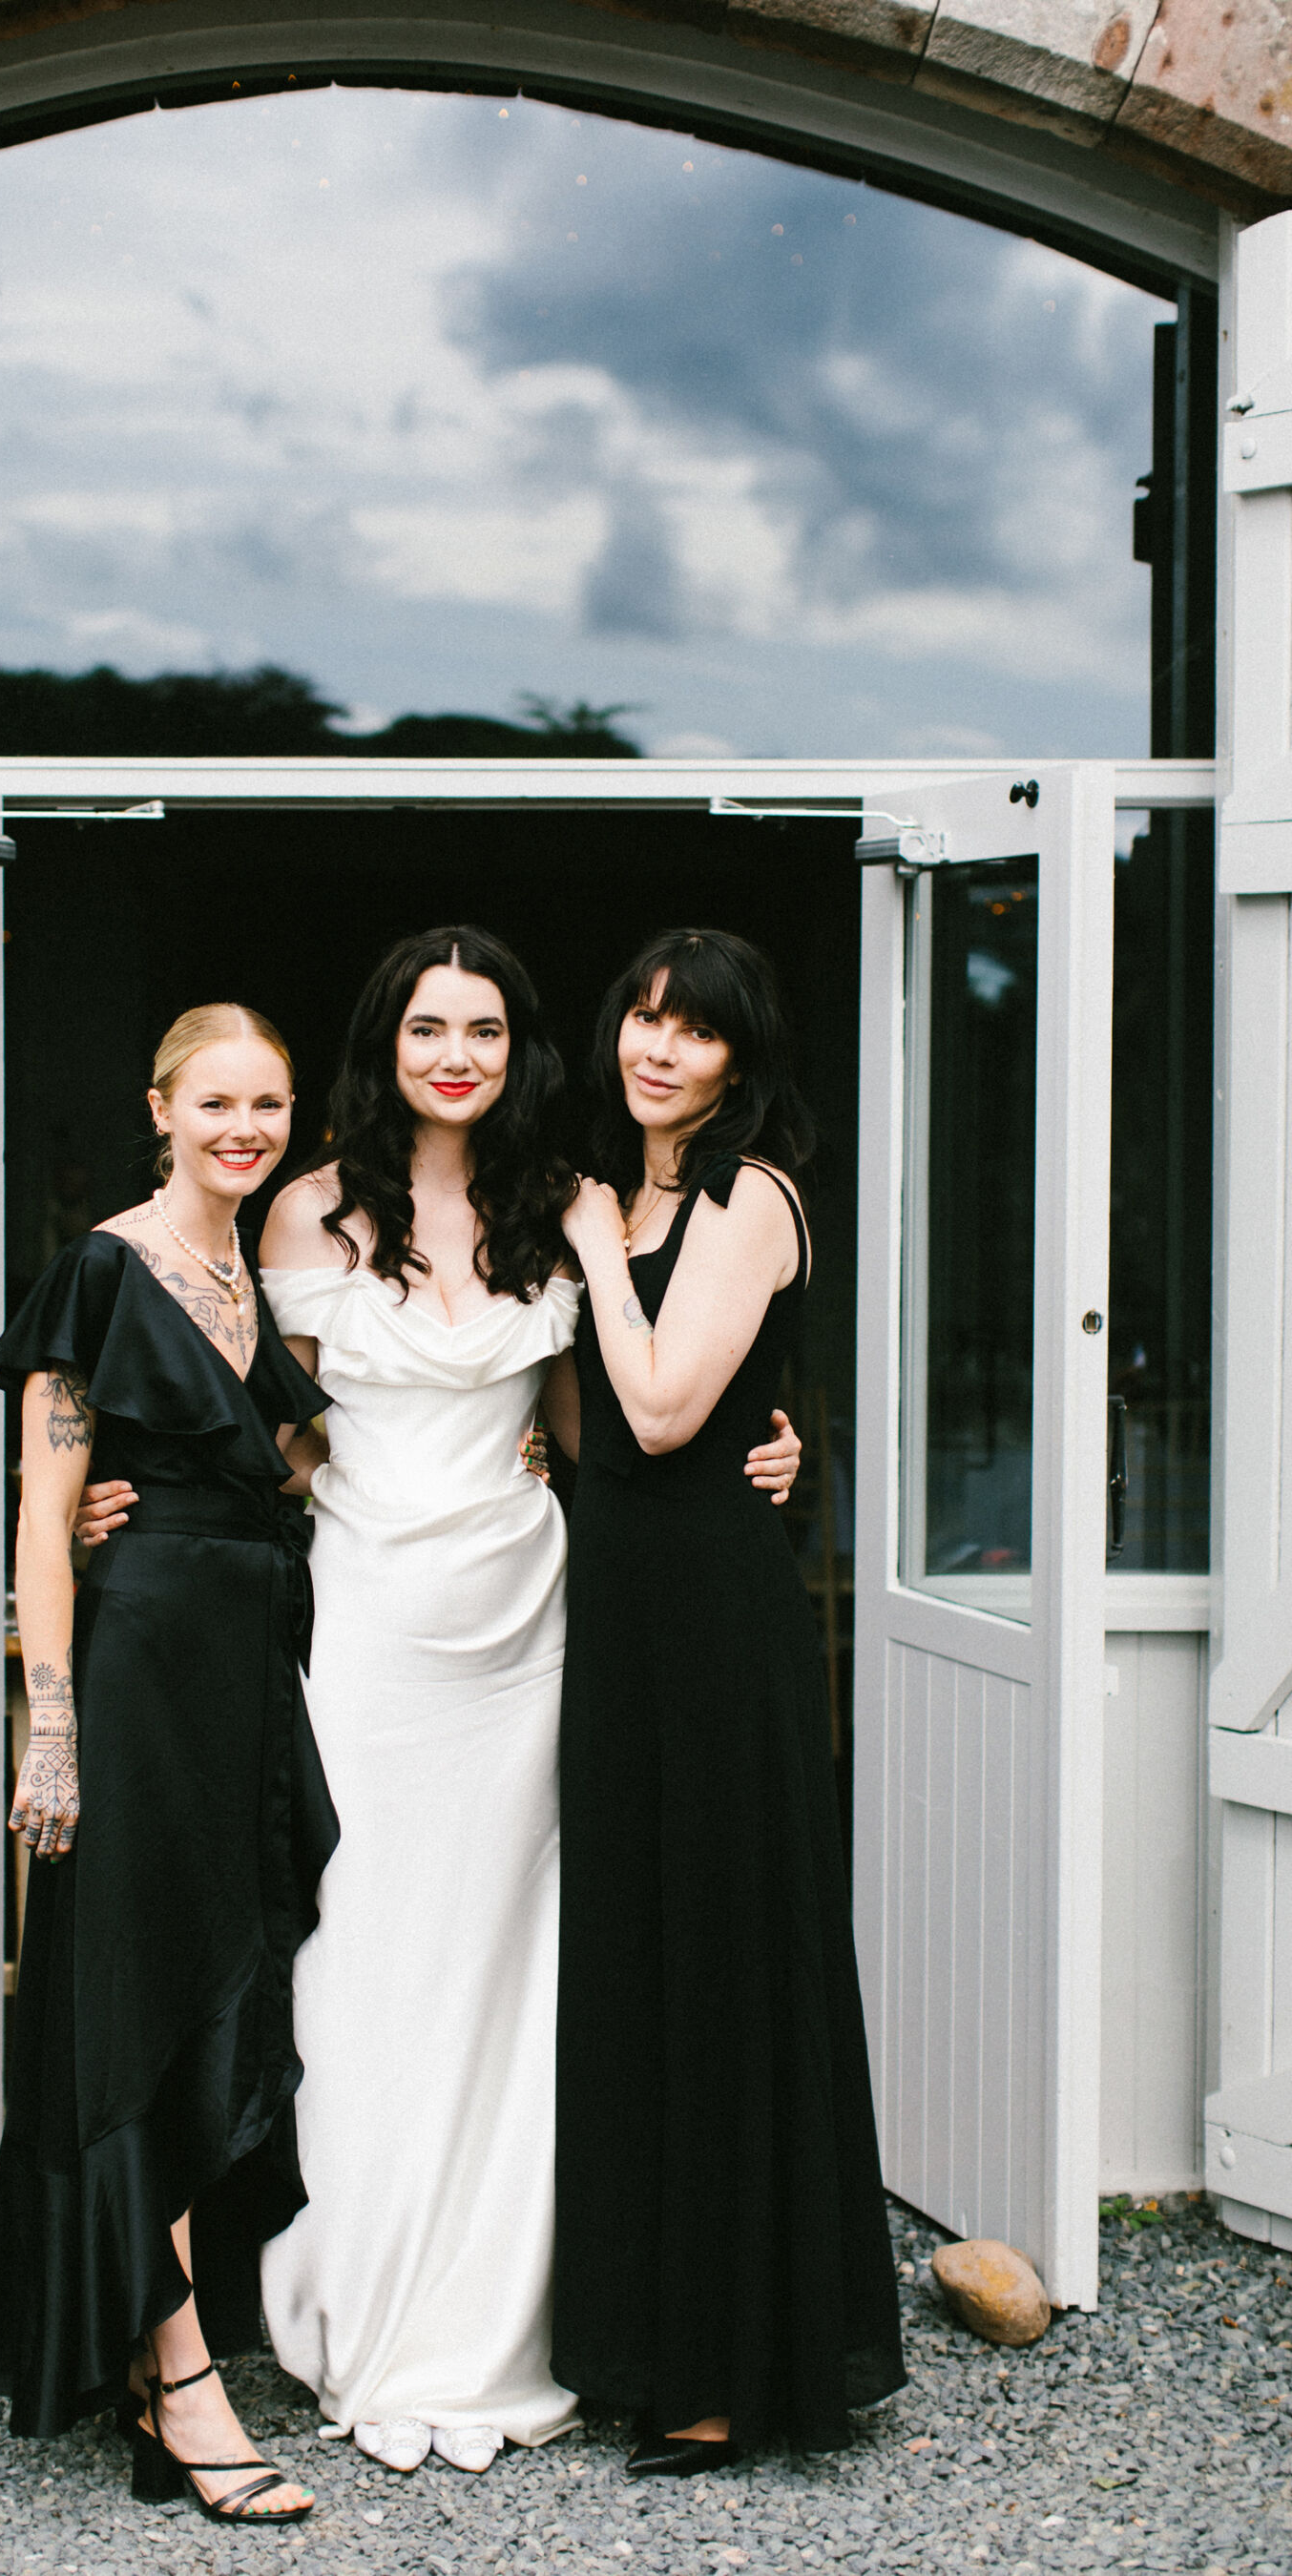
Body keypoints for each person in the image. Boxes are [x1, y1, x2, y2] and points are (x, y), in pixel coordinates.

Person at [77, 927, 802, 2478]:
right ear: (386, 1045)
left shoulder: (563, 1206)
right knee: (361, 1963)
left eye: (483, 1025)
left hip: (529, 1627)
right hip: (370, 1626)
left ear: (520, 1045)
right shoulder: (304, 1208)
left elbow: (608, 1414)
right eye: (427, 1027)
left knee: (513, 1970)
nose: (456, 1052)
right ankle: (358, 2305)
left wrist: (776, 1444)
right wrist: (101, 1497)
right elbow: (244, 1419)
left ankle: (511, 2316)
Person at [0, 1005, 336, 2529]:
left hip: (246, 1676)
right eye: (216, 1103)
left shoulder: (251, 1274)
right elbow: (44, 1517)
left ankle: (148, 2341)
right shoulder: (104, 1270)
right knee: (129, 2014)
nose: (244, 1129)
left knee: (208, 2004)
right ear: (160, 1106)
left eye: (268, 1105)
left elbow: (283, 1460)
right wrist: (51, 1722)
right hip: (140, 1675)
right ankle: (179, 2383)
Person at [552, 928, 906, 2474]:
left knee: (720, 1967)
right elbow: (581, 1429)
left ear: (739, 1062)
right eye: (641, 1016)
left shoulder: (747, 1197)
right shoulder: (617, 1199)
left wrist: (579, 1242)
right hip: (618, 1613)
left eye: (692, 1032)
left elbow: (662, 1401)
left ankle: (735, 2365)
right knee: (634, 1965)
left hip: (711, 1623)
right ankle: (636, 2338)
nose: (656, 1047)